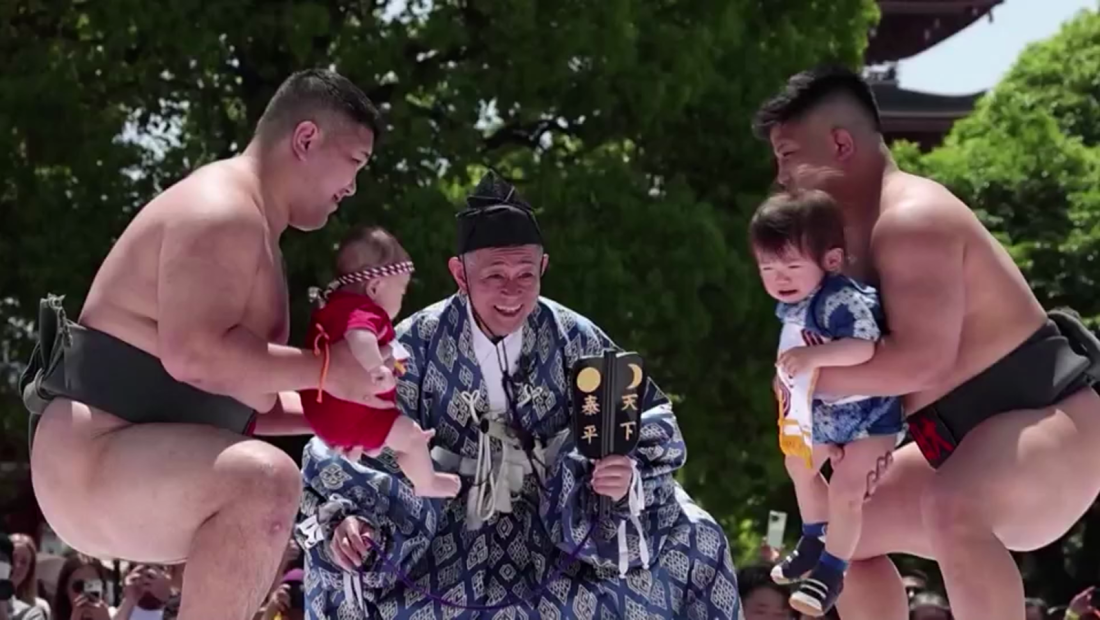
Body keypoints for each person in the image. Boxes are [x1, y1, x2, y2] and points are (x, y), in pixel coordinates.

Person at [22, 68, 391, 620]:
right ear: (306, 139)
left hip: (143, 455)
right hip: (94, 455)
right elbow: (194, 355)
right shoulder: (222, 211)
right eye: (354, 163)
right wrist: (327, 369)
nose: (353, 188)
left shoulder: (259, 235)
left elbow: (246, 398)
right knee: (265, 482)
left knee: (263, 485)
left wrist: (352, 409)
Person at [293, 171, 742, 619]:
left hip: (562, 519)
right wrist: (348, 516)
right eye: (495, 274)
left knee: (699, 537)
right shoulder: (413, 344)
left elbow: (650, 417)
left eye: (526, 273)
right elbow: (346, 436)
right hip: (444, 527)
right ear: (460, 273)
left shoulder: (575, 338)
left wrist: (621, 470)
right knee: (344, 559)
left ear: (544, 267)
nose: (513, 291)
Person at [752, 64, 1100, 620]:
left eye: (789, 155)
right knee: (848, 535)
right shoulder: (844, 253)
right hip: (961, 444)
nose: (781, 176)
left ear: (841, 143)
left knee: (952, 505)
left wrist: (805, 377)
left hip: (1055, 427)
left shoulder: (913, 219)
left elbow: (921, 360)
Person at [750, 190, 903, 615]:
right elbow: (793, 355)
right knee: (797, 463)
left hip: (871, 416)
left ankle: (832, 573)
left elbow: (864, 347)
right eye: (768, 267)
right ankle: (815, 537)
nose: (779, 277)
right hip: (823, 415)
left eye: (792, 266)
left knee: (846, 488)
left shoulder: (841, 297)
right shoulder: (791, 305)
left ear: (830, 261)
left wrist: (813, 358)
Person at [299, 225, 461, 497]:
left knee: (403, 439)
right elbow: (358, 335)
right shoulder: (364, 311)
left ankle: (415, 468)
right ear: (375, 287)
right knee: (412, 438)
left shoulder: (333, 308)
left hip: (321, 412)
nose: (402, 299)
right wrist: (375, 366)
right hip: (352, 411)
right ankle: (426, 483)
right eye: (402, 291)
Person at [9, 534, 51, 619]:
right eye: (12, 557)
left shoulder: (38, 608)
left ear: (29, 571)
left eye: (23, 562)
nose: (17, 565)